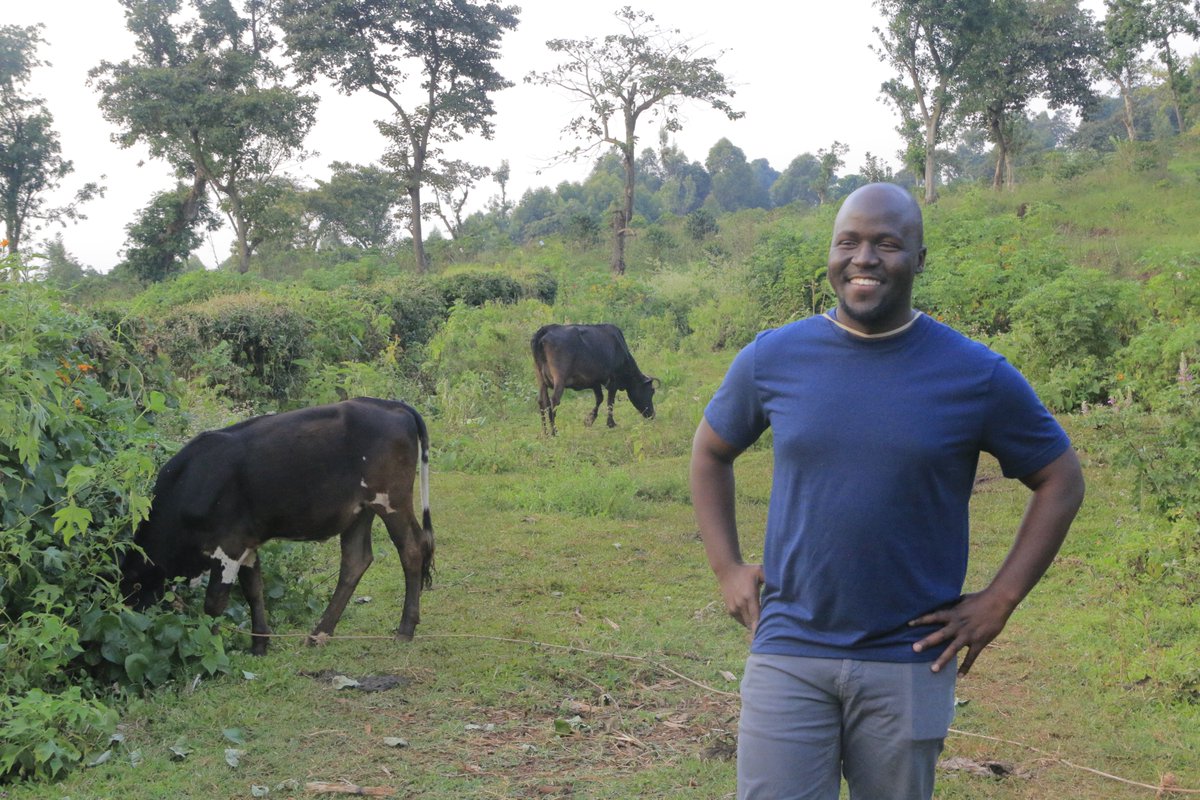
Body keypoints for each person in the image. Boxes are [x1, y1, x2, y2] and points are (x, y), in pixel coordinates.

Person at [689, 182, 1085, 800]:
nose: (863, 258)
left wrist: (1001, 599)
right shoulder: (774, 358)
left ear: (919, 259)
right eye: (848, 241)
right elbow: (711, 451)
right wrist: (726, 568)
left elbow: (1060, 478)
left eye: (887, 243)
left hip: (909, 657)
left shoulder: (974, 373)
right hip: (790, 646)